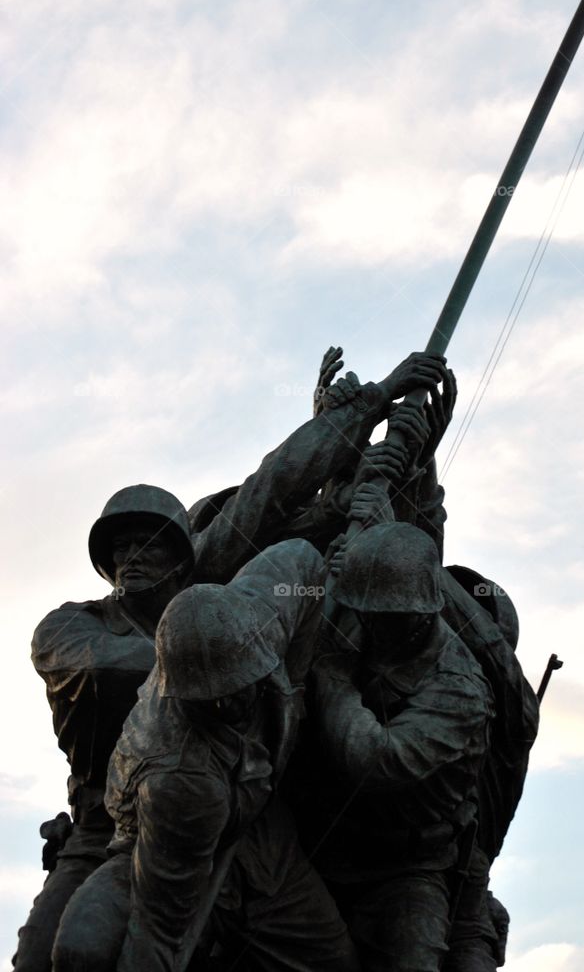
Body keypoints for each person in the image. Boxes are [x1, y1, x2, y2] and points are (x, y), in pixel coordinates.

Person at [14, 348, 448, 971]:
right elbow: (110, 665)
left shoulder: (217, 588)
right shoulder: (71, 627)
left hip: (253, 819)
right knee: (54, 958)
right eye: (122, 547)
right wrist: (225, 646)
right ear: (105, 564)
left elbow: (272, 486)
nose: (135, 557)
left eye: (151, 544)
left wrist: (372, 406)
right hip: (114, 827)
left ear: (183, 554)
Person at [53, 540, 359, 972]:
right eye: (212, 701)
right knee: (82, 947)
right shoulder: (180, 778)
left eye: (237, 688)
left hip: (262, 840)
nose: (230, 704)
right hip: (160, 847)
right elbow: (159, 933)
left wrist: (296, 675)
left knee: (336, 964)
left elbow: (306, 561)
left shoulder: (264, 605)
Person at [302, 518, 494, 972]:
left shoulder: (460, 689)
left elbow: (379, 762)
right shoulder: (362, 606)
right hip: (318, 845)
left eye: (391, 615)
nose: (374, 623)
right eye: (368, 611)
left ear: (426, 609)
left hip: (405, 867)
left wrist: (332, 677)